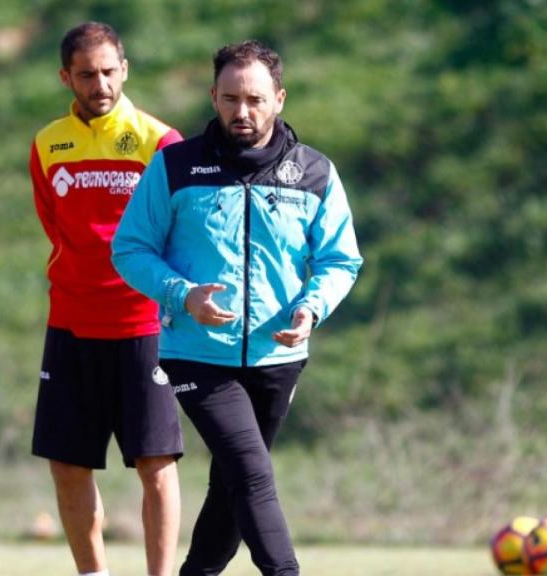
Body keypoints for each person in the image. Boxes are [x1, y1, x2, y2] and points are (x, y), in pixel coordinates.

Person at [112, 40, 363, 576]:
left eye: (253, 99)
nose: (241, 112)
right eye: (229, 99)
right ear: (213, 97)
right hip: (197, 355)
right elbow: (129, 248)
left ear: (279, 99)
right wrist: (182, 295)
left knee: (232, 485)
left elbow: (341, 259)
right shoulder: (174, 167)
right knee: (251, 472)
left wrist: (311, 308)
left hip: (278, 358)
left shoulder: (315, 173)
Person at [29, 21, 185, 576]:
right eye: (87, 74)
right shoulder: (48, 143)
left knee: (156, 463)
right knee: (68, 466)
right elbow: (56, 227)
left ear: (125, 70)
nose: (99, 84)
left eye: (109, 71)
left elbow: (179, 234)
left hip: (144, 325)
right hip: (71, 323)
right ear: (66, 76)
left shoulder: (160, 142)